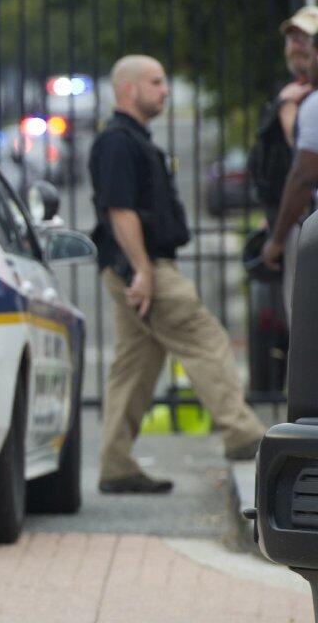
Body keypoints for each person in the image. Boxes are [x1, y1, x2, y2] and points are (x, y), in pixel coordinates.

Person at [89, 55, 267, 495]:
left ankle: (115, 463)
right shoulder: (117, 142)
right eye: (156, 82)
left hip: (137, 267)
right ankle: (244, 435)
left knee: (135, 367)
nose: (165, 90)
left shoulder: (131, 139)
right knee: (207, 340)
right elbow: (120, 210)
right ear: (128, 90)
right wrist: (144, 271)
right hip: (145, 267)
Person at [250, 6, 318, 321]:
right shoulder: (292, 94)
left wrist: (289, 108)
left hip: (308, 222)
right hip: (296, 219)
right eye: (291, 39)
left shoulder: (304, 101)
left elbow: (304, 167)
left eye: (304, 39)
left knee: (305, 323)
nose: (295, 46)